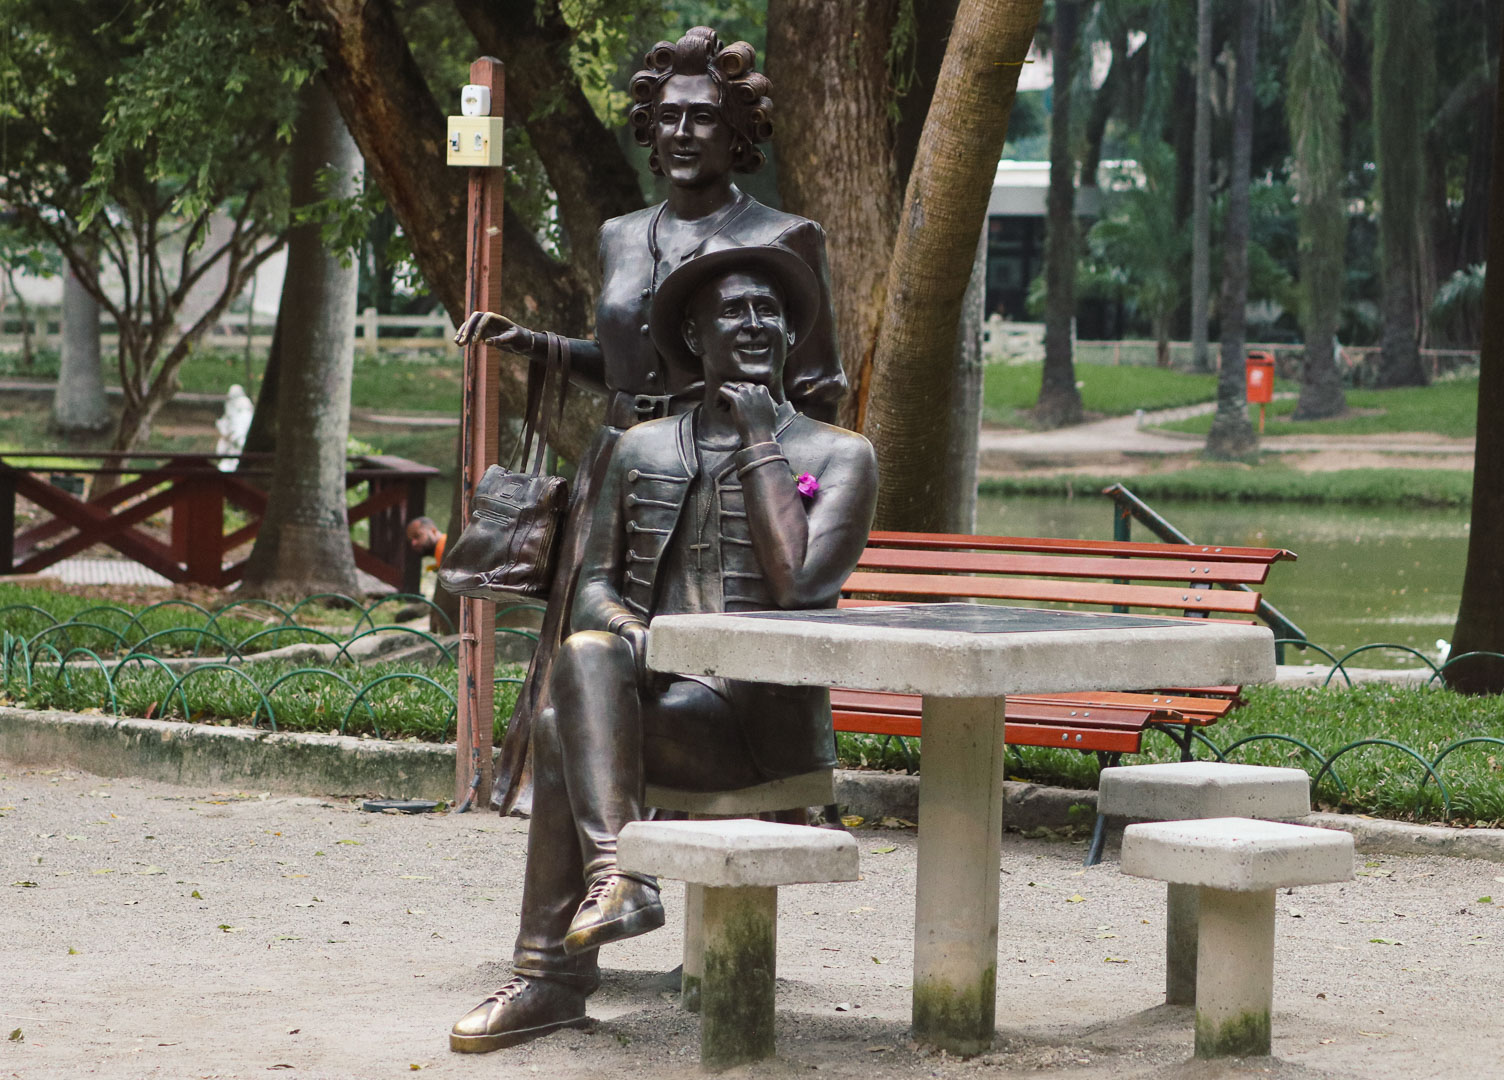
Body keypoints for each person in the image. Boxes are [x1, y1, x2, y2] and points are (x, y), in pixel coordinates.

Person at [448, 243, 877, 1053]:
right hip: (660, 699)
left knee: (557, 722)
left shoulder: (840, 456)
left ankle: (570, 947)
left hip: (762, 723)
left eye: (769, 311)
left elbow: (800, 586)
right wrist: (642, 639)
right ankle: (587, 926)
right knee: (576, 674)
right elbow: (593, 589)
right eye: (733, 311)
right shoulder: (640, 448)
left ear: (790, 333)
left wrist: (759, 439)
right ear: (693, 333)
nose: (755, 324)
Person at [451, 26, 848, 815]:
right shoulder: (621, 235)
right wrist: (529, 342)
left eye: (702, 117)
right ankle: (590, 806)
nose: (680, 132)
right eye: (666, 117)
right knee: (609, 636)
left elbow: (816, 386)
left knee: (713, 652)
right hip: (628, 461)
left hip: (732, 465)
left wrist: (789, 482)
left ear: (738, 133)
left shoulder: (782, 237)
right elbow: (626, 360)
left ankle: (748, 783)